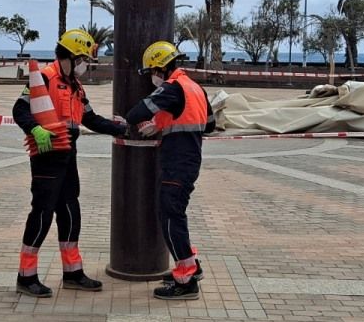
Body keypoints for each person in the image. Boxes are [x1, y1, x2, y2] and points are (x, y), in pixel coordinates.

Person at [13, 28, 127, 297]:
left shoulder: (76, 86)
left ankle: (73, 272)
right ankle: (26, 276)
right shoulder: (43, 77)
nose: (84, 65)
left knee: (70, 212)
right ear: (70, 57)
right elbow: (19, 109)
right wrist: (35, 129)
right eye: (82, 60)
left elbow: (90, 118)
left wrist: (120, 128)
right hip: (46, 154)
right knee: (42, 213)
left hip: (68, 153)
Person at [124, 40, 215, 300]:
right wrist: (161, 122)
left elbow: (136, 112)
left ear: (160, 67)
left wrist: (144, 120)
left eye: (152, 72)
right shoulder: (195, 87)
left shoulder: (172, 88)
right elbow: (209, 124)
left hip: (177, 163)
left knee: (169, 216)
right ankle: (191, 265)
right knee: (176, 214)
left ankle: (185, 279)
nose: (152, 78)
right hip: (189, 161)